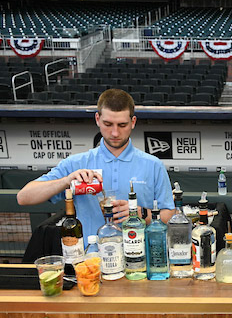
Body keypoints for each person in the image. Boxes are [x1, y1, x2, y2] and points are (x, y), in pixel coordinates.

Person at [17, 89, 175, 241]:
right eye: (108, 124)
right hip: (90, 260)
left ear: (133, 122)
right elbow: (24, 197)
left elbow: (169, 214)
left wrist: (142, 213)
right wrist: (67, 181)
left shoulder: (153, 165)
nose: (114, 133)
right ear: (97, 119)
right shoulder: (76, 164)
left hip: (139, 260)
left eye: (122, 125)